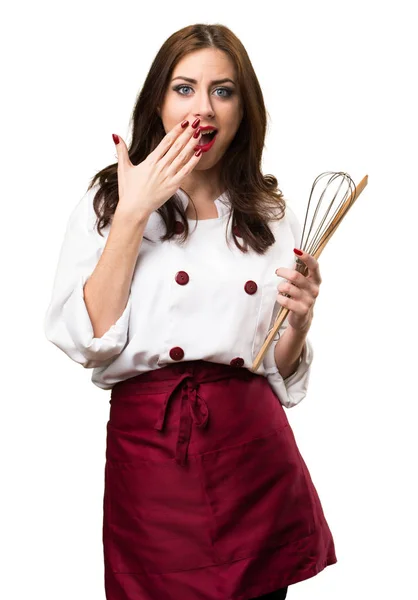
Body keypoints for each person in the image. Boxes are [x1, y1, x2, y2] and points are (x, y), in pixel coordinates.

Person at [44, 23, 337, 600]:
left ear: (243, 109)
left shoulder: (266, 210)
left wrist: (299, 321)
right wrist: (134, 212)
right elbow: (88, 339)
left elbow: (271, 365)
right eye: (185, 88)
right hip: (155, 456)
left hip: (254, 454)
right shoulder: (110, 200)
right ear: (159, 100)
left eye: (223, 91)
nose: (202, 108)